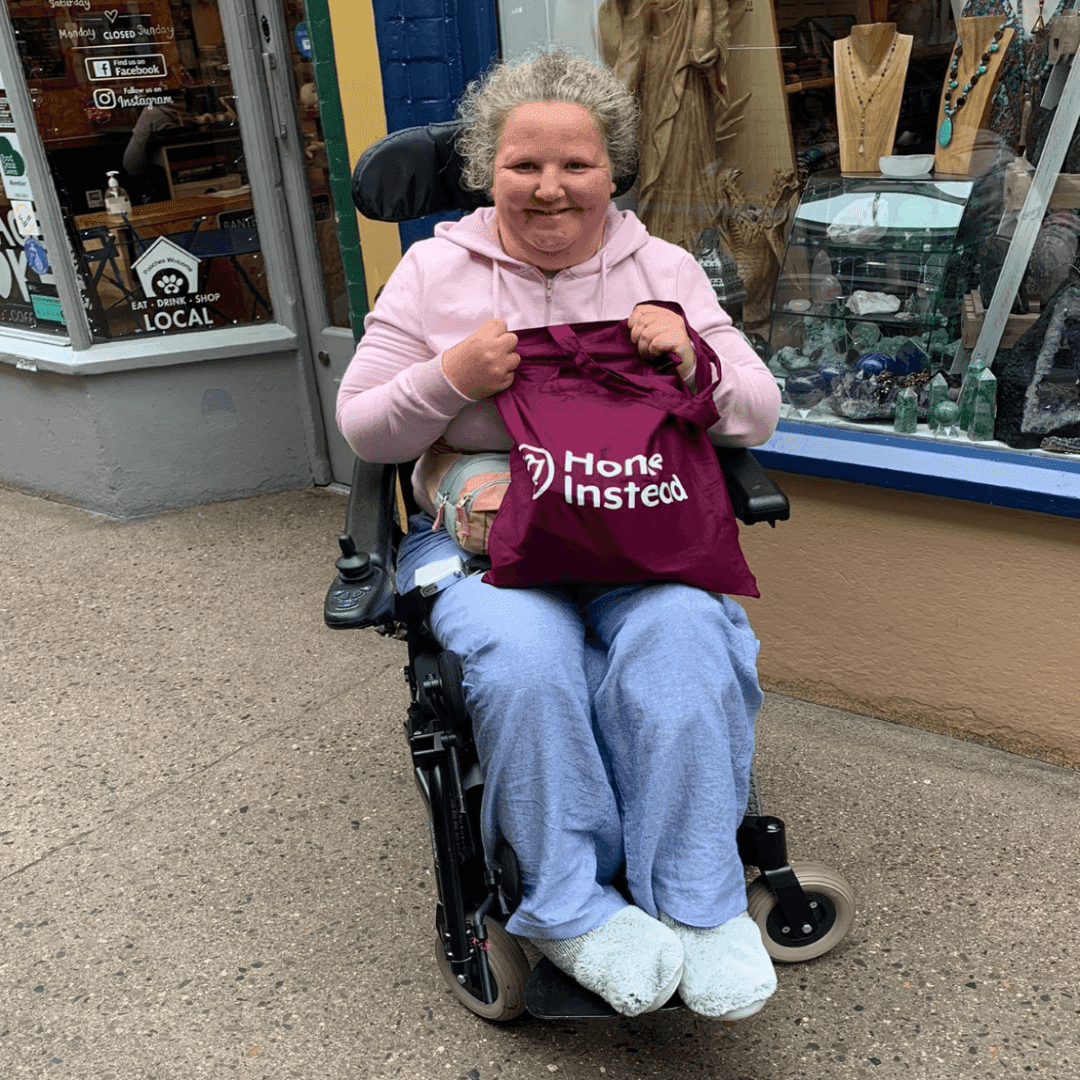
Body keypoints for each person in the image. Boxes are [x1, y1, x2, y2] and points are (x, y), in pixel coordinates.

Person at [336, 48, 782, 1020]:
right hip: (491, 553)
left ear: (611, 170)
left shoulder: (658, 268)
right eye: (522, 164)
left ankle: (699, 906)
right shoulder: (433, 272)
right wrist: (451, 375)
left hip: (631, 540)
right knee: (531, 661)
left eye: (574, 164)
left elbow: (756, 414)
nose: (549, 186)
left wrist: (694, 358)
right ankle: (568, 910)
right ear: (486, 170)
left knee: (688, 641)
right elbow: (364, 426)